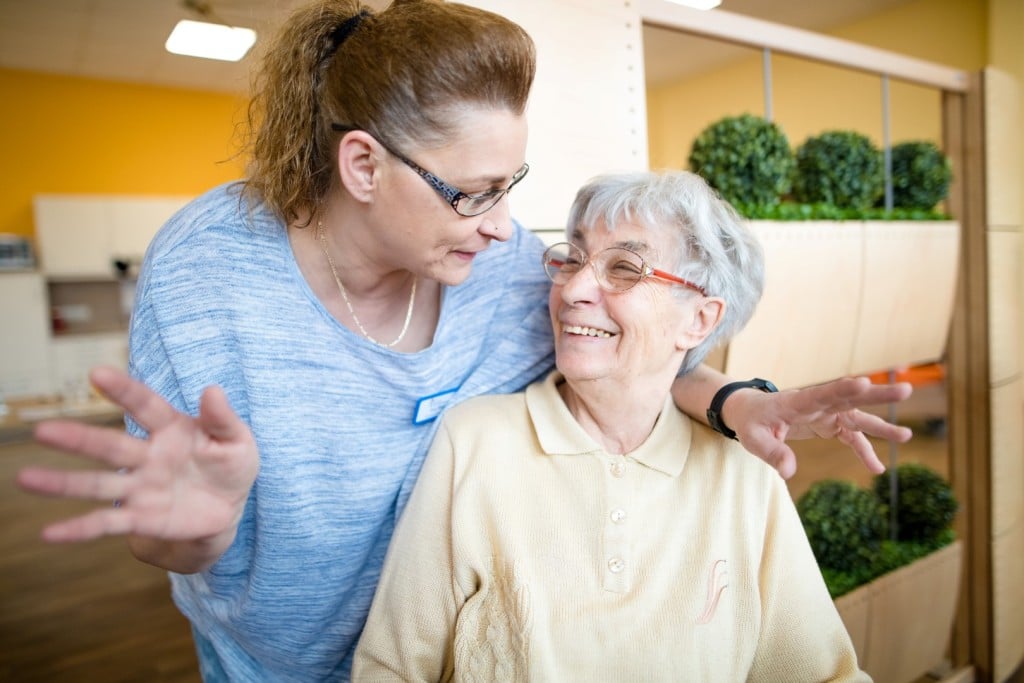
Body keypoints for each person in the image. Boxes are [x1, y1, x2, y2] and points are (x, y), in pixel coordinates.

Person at [16, 1, 907, 681]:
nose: (505, 228)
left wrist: (734, 400)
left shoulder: (505, 267)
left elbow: (620, 339)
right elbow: (169, 519)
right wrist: (194, 538)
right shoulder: (208, 274)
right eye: (475, 192)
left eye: (511, 184)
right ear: (363, 165)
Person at [353, 170, 868, 681]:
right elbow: (390, 669)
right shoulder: (473, 441)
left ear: (701, 320)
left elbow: (827, 675)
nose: (575, 288)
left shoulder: (744, 474)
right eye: (572, 259)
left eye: (624, 268)